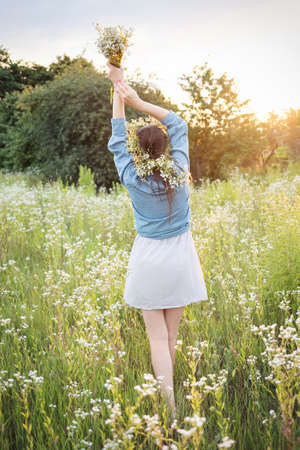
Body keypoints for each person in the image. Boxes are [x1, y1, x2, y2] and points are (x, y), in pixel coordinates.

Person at [106, 63, 208, 421]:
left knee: (156, 338)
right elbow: (178, 122)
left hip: (149, 259)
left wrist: (117, 91)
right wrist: (137, 100)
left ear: (137, 148)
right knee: (172, 335)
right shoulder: (179, 169)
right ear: (165, 147)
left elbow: (116, 139)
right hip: (180, 258)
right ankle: (173, 405)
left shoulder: (132, 176)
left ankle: (169, 408)